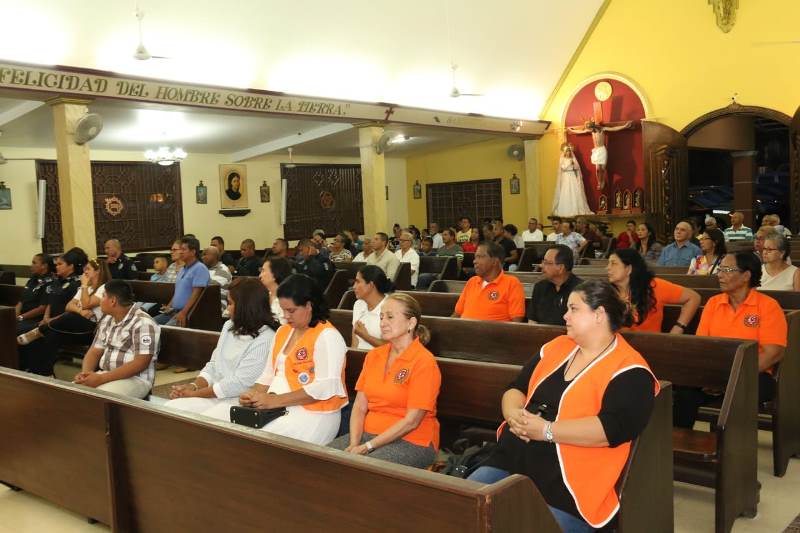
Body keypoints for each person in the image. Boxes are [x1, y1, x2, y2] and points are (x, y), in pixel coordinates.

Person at [468, 279, 658, 532]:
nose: (565, 316)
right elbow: (516, 388)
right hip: (514, 458)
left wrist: (546, 430)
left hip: (570, 485)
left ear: (599, 314)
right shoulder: (557, 347)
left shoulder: (631, 370)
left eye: (574, 309)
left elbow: (611, 429)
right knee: (464, 508)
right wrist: (513, 414)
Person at [221, 274, 348, 445]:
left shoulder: (327, 336)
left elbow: (325, 388)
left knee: (253, 443)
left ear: (309, 305)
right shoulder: (283, 331)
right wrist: (253, 394)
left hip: (314, 414)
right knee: (225, 430)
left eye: (291, 310)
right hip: (276, 408)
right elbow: (267, 375)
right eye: (283, 310)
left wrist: (275, 401)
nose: (286, 316)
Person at [674, 252, 787, 428]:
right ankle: (681, 441)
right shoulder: (713, 303)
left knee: (739, 393)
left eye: (727, 270)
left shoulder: (768, 306)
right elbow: (702, 346)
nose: (719, 275)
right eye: (720, 269)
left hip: (754, 374)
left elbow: (773, 353)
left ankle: (728, 444)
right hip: (715, 372)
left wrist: (729, 378)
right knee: (684, 390)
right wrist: (711, 376)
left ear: (746, 276)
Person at [330, 293, 441, 467]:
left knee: (363, 469)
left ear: (411, 323)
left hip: (412, 441)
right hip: (368, 434)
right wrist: (354, 443)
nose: (382, 322)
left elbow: (412, 422)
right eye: (381, 317)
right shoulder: (374, 356)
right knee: (321, 459)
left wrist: (367, 447)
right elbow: (359, 406)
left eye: (390, 317)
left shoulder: (424, 362)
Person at [165, 278, 278, 414]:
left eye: (230, 303)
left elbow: (240, 384)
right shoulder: (229, 325)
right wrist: (193, 386)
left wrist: (194, 394)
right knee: (171, 409)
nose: (227, 309)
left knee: (206, 419)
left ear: (245, 306)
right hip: (215, 393)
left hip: (241, 400)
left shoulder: (266, 337)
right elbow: (214, 365)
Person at [73, 280, 160, 399]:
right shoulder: (107, 319)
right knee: (70, 393)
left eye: (103, 296)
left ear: (113, 301)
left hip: (136, 379)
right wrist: (85, 375)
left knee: (96, 398)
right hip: (107, 374)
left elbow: (140, 363)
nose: (100, 300)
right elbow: (94, 351)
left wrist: (101, 378)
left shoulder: (143, 323)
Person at [17, 247, 87, 375]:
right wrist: (46, 317)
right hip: (49, 320)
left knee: (39, 333)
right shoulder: (57, 281)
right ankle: (25, 366)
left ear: (70, 266)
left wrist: (50, 320)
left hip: (62, 322)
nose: (56, 267)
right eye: (56, 264)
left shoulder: (76, 284)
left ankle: (42, 371)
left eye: (60, 264)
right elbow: (49, 302)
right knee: (21, 329)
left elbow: (72, 311)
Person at [607, 248, 700, 333]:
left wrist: (679, 327)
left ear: (629, 269)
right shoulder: (607, 291)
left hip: (651, 343)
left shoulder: (654, 286)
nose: (608, 268)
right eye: (609, 263)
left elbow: (693, 297)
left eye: (613, 263)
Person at [453, 242, 525, 322]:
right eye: (475, 257)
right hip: (462, 329)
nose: (474, 261)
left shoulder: (512, 283)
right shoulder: (472, 281)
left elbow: (516, 323)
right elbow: (456, 314)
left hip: (493, 330)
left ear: (495, 261)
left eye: (480, 257)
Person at [154, 237, 210, 326]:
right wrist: (169, 306)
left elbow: (196, 294)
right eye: (180, 249)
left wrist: (184, 313)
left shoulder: (200, 268)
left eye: (184, 249)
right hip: (173, 311)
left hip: (188, 313)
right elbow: (177, 292)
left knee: (164, 330)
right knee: (150, 323)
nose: (180, 252)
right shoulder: (182, 269)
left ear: (193, 252)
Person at [527, 245, 582, 326]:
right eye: (543, 262)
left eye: (546, 263)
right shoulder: (540, 287)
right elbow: (532, 320)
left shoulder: (581, 290)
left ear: (560, 268)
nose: (541, 265)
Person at [351, 265, 392, 350]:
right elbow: (355, 342)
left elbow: (393, 347)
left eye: (358, 282)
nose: (354, 286)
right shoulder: (358, 304)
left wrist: (366, 336)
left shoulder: (391, 306)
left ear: (371, 285)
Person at [14, 253, 55, 335]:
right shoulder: (33, 279)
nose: (31, 266)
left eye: (34, 263)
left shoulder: (50, 282)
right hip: (22, 316)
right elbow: (21, 301)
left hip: (35, 318)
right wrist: (15, 316)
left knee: (12, 328)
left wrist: (21, 317)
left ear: (44, 266)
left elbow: (42, 308)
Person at [552, 142, 594, 217]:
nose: (568, 153)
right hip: (566, 176)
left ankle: (576, 209)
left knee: (575, 192)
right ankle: (566, 210)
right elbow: (563, 167)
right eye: (567, 151)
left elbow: (577, 168)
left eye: (569, 151)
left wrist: (573, 164)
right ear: (565, 152)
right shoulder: (562, 159)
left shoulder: (573, 159)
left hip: (572, 176)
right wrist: (569, 163)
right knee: (566, 191)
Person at [259, 256, 292, 325]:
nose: (260, 276)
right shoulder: (262, 295)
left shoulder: (289, 300)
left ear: (274, 274)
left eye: (263, 271)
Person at [202, 246, 232, 314]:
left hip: (217, 304)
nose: (202, 257)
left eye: (205, 254)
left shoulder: (222, 270)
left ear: (214, 256)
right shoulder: (205, 268)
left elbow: (208, 289)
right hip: (204, 302)